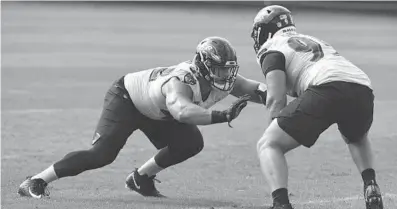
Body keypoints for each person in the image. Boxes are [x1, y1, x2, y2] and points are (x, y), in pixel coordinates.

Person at [18, 36, 268, 199]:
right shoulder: (181, 81)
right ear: (202, 66)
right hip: (127, 99)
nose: (224, 75)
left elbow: (255, 89)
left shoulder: (222, 80)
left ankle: (140, 179)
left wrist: (285, 100)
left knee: (191, 143)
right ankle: (36, 180)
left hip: (156, 111)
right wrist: (222, 115)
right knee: (102, 154)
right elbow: (182, 112)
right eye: (218, 69)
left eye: (227, 69)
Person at [251, 5, 383, 209]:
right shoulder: (311, 38)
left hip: (326, 88)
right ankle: (371, 186)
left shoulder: (272, 48)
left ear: (264, 30)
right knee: (356, 137)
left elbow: (276, 99)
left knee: (268, 145)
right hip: (361, 86)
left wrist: (274, 130)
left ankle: (281, 204)